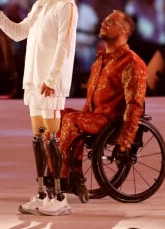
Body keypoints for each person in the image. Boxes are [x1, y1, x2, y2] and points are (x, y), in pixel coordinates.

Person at [0, 0, 78, 216]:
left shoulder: (66, 6)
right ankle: (42, 193)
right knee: (38, 138)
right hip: (34, 80)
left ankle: (59, 197)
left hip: (50, 83)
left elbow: (64, 46)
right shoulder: (41, 3)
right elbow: (19, 32)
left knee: (51, 139)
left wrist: (52, 79)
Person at [57, 10, 146, 186]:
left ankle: (64, 176)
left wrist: (125, 141)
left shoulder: (132, 63)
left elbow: (135, 105)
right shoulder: (100, 61)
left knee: (71, 119)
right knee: (55, 117)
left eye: (110, 22)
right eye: (104, 20)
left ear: (123, 31)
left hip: (111, 122)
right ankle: (61, 171)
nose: (103, 24)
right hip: (94, 117)